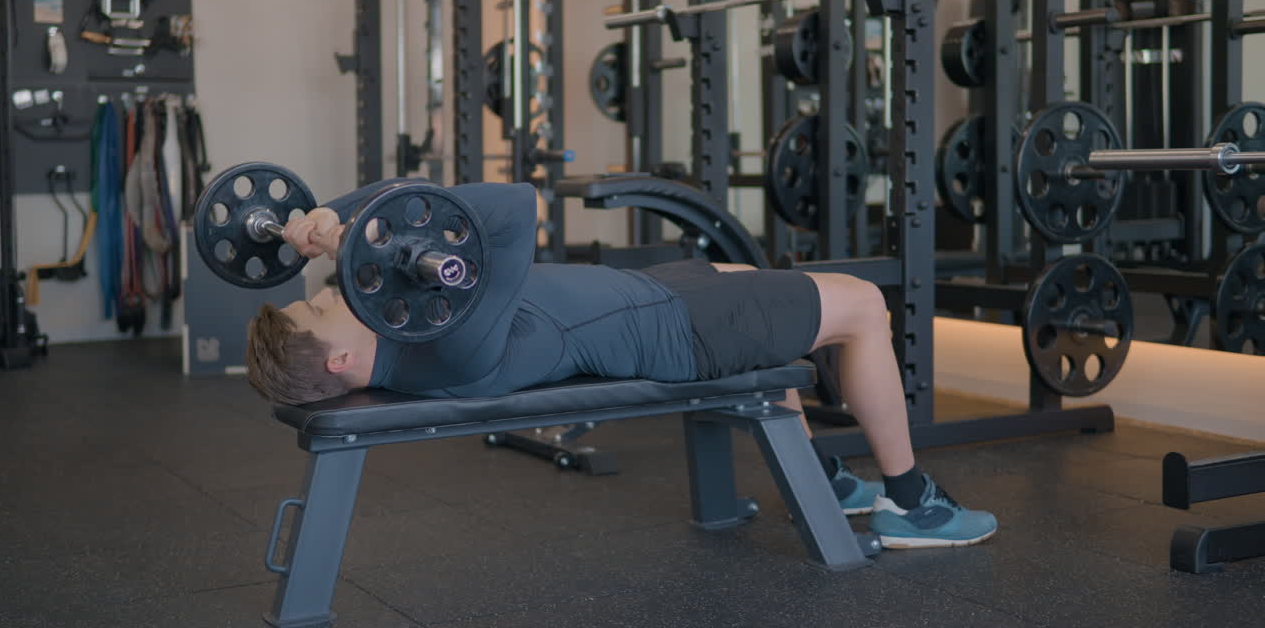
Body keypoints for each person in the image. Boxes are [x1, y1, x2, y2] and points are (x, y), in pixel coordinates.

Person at [246, 179, 997, 549]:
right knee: (863, 306)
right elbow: (511, 205)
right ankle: (912, 505)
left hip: (654, 296)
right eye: (318, 308)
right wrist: (355, 226)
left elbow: (404, 217)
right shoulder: (449, 347)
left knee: (785, 299)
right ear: (342, 360)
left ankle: (823, 481)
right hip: (680, 330)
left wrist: (331, 214)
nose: (327, 291)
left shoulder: (404, 335)